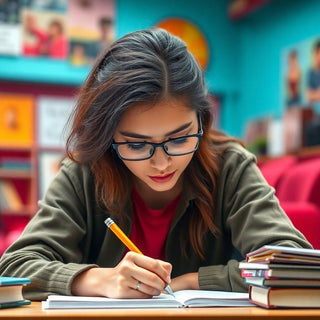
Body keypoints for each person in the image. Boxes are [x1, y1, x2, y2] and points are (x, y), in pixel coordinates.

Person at [0, 29, 311, 301]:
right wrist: (96, 280)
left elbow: (291, 263)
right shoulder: (85, 172)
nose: (161, 163)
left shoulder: (229, 166)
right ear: (108, 135)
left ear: (201, 120)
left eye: (178, 139)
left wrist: (196, 281)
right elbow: (16, 265)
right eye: (136, 144)